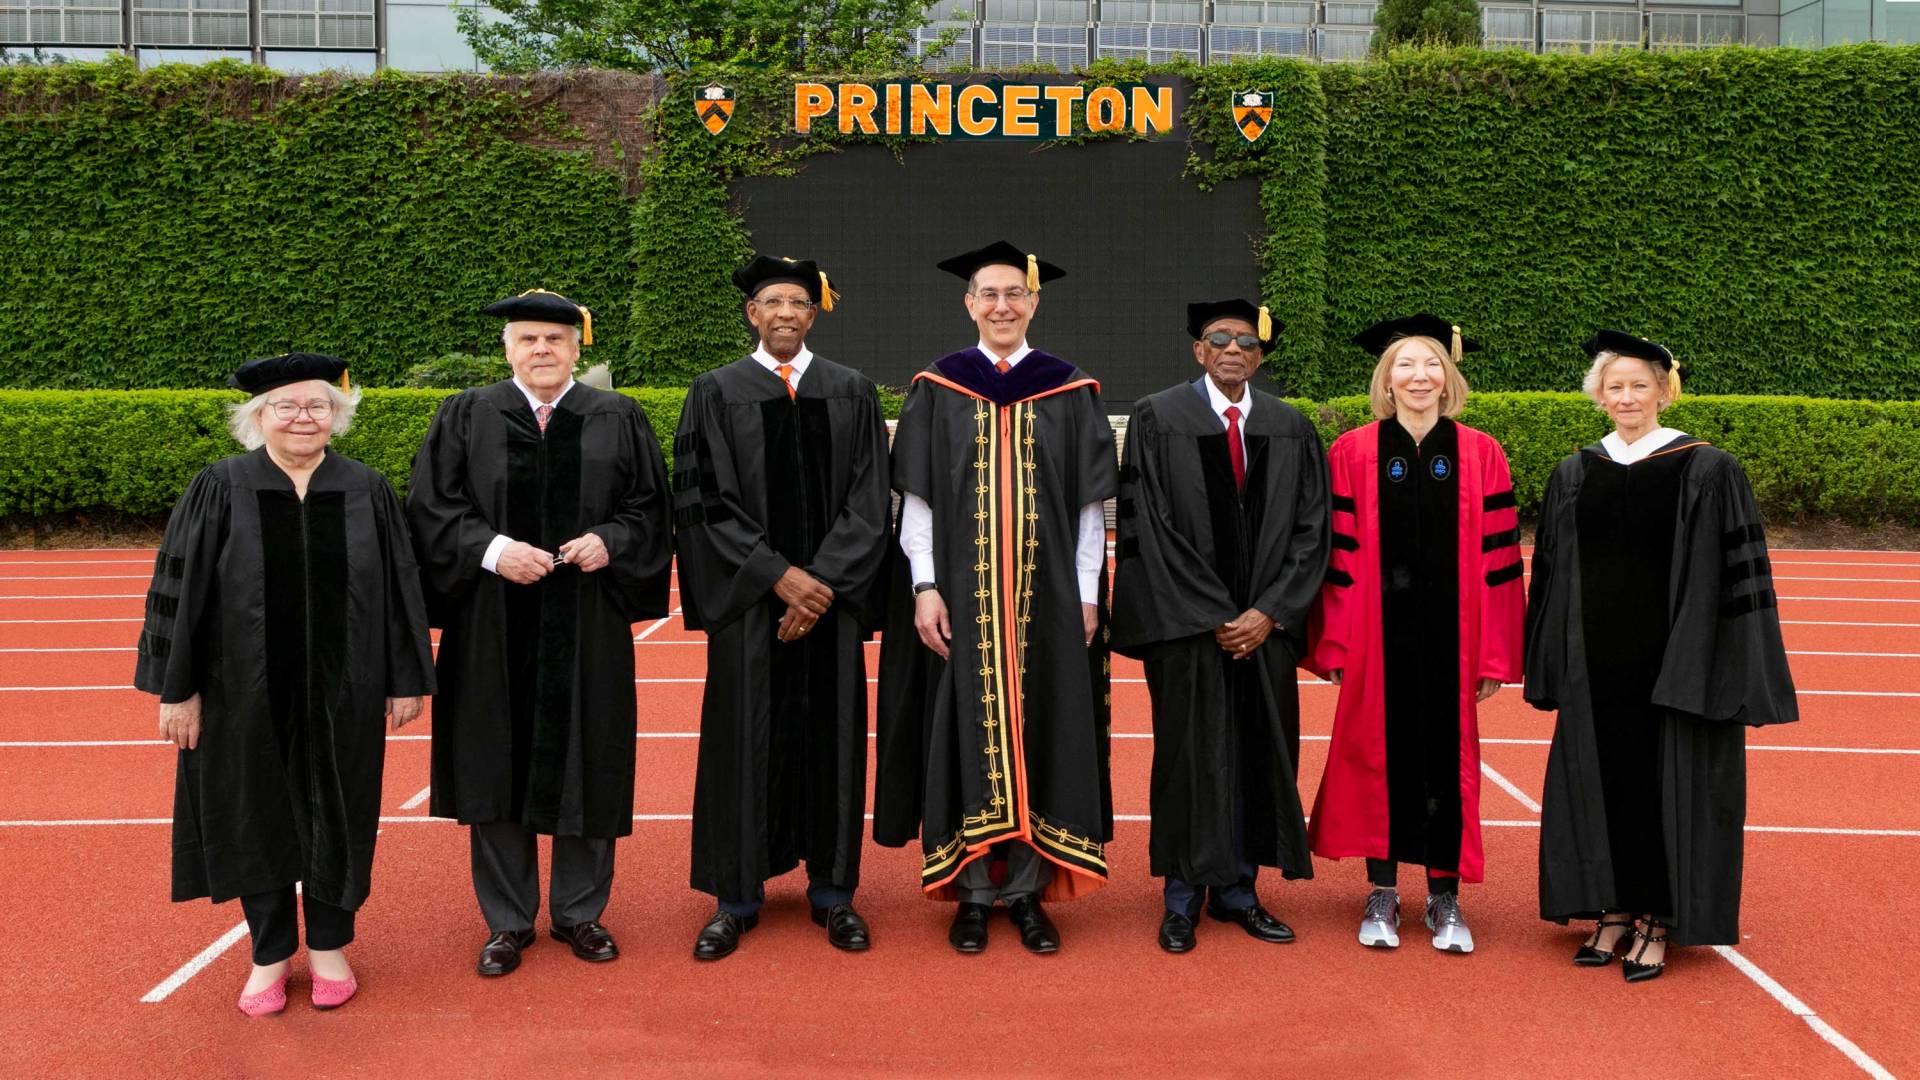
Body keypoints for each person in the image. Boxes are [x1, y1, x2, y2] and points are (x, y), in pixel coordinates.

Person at [135, 352, 435, 1016]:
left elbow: (399, 588)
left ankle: (329, 945)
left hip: (345, 689)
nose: (303, 417)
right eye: (286, 406)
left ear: (337, 416)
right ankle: (268, 953)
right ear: (257, 416)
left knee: (342, 810)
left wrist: (406, 676)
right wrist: (177, 690)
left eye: (318, 405)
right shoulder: (221, 486)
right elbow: (181, 592)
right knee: (256, 813)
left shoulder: (366, 489)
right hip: (241, 691)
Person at [407, 289, 672, 977]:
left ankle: (581, 912)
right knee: (495, 758)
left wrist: (611, 540)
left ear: (578, 348)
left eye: (556, 339)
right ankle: (507, 921)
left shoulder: (618, 416)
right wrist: (493, 550)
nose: (542, 350)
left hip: (588, 619)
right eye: (528, 339)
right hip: (491, 621)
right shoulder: (466, 414)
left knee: (591, 751)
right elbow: (432, 505)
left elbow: (650, 506)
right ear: (508, 349)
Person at [1527, 330, 1797, 982]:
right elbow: (1553, 576)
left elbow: (1734, 578)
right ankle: (1613, 908)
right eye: (1614, 387)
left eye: (1639, 386)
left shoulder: (1707, 469)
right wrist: (1551, 660)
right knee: (1602, 782)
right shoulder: (1575, 473)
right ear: (1599, 396)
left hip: (1676, 666)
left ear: (1663, 392)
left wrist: (1713, 667)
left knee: (1664, 786)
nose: (1626, 397)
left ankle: (1657, 916)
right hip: (1595, 666)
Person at [874, 240, 1117, 955]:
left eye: (1015, 294)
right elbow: (917, 499)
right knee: (964, 731)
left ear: (1034, 303)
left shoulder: (1068, 389)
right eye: (990, 294)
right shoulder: (939, 386)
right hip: (962, 598)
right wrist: (923, 586)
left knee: (1046, 729)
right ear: (969, 303)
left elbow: (1089, 507)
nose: (1002, 306)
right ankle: (974, 894)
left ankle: (1029, 893)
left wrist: (1086, 594)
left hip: (1048, 598)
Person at [673, 255, 892, 960]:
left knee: (834, 738)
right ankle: (735, 899)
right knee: (744, 739)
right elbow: (705, 502)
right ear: (753, 314)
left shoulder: (851, 391)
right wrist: (778, 576)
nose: (787, 313)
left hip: (830, 606)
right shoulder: (715, 392)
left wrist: (820, 583)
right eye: (773, 302)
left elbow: (870, 499)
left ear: (813, 314)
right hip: (751, 605)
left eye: (799, 302)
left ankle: (834, 892)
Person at [1110, 299, 1329, 953]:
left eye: (1246, 342)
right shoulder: (1157, 417)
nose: (1234, 349)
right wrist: (1214, 614)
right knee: (1189, 754)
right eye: (1220, 339)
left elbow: (1312, 531)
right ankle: (1181, 899)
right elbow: (1148, 526)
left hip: (1265, 629)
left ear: (1259, 357)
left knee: (1259, 750)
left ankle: (1239, 892)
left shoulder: (1290, 427)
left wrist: (1269, 612)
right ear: (1198, 351)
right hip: (1187, 627)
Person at [1306, 314, 1525, 955]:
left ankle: (1443, 897)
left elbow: (1501, 562)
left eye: (1432, 364)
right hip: (1375, 641)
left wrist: (1494, 655)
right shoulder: (1352, 452)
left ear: (1449, 378)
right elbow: (1336, 558)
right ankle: (1381, 891)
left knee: (1446, 765)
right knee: (1374, 759)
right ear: (1387, 380)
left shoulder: (1482, 453)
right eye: (1405, 364)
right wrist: (1336, 643)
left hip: (1456, 642)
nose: (1419, 376)